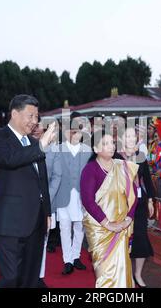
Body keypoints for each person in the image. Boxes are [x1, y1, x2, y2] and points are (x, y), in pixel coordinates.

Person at [0, 94, 56, 288]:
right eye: (31, 116)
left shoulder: (34, 145)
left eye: (37, 117)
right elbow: (9, 160)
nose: (35, 122)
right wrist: (42, 146)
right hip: (10, 223)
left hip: (36, 221)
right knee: (10, 277)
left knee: (31, 277)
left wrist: (47, 211)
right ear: (15, 113)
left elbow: (42, 181)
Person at [80, 130, 138, 288]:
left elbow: (133, 195)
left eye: (112, 142)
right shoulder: (90, 170)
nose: (111, 146)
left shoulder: (122, 166)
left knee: (122, 267)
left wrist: (127, 219)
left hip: (121, 227)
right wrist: (108, 224)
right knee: (105, 273)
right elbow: (88, 200)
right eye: (105, 144)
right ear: (96, 148)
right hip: (99, 229)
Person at [53, 111, 91, 275]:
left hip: (82, 196)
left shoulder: (88, 150)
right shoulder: (57, 149)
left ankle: (76, 256)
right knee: (65, 227)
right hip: (63, 195)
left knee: (80, 227)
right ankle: (67, 260)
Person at [117, 127, 156, 288]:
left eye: (133, 136)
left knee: (140, 239)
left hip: (140, 203)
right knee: (125, 242)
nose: (131, 139)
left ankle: (137, 274)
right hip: (122, 205)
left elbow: (147, 179)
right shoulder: (116, 156)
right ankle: (127, 277)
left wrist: (150, 201)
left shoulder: (141, 157)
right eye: (127, 136)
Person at [31, 121, 62, 287]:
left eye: (39, 127)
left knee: (43, 240)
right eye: (33, 127)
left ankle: (39, 276)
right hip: (25, 203)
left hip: (47, 203)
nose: (36, 130)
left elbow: (57, 175)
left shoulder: (53, 149)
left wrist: (46, 196)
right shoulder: (23, 146)